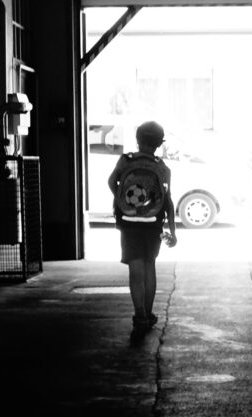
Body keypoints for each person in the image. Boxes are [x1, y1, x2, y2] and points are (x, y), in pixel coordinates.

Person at [108, 121, 177, 340]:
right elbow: (168, 201)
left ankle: (139, 316)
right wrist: (173, 231)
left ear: (137, 139)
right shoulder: (162, 167)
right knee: (149, 267)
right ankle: (148, 314)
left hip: (129, 222)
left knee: (135, 269)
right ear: (159, 144)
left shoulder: (126, 161)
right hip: (153, 223)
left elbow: (111, 182)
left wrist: (123, 199)